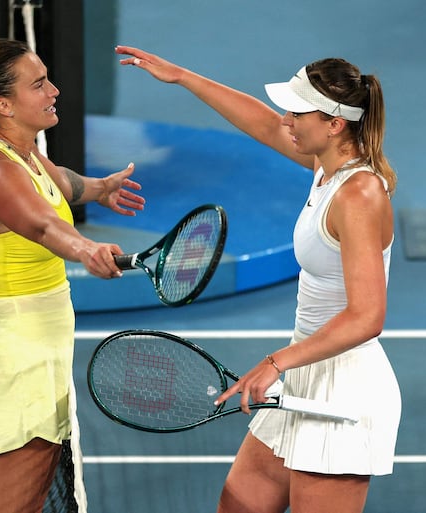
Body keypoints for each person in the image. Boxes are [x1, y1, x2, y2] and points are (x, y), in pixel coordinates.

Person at [116, 45, 401, 513]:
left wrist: (275, 362)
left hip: (342, 390)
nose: (286, 119)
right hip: (304, 370)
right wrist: (184, 75)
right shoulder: (327, 168)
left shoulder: (359, 193)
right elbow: (264, 124)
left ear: (334, 123)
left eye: (297, 111)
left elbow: (368, 317)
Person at [0, 38, 145, 513]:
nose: (54, 90)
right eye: (39, 84)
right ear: (2, 104)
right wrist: (87, 249)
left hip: (40, 361)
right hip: (17, 368)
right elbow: (43, 224)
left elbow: (60, 185)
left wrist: (99, 189)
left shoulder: (25, 156)